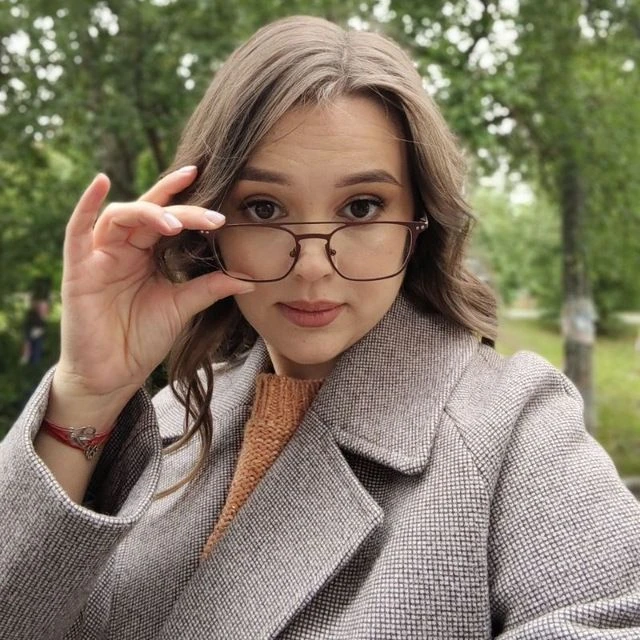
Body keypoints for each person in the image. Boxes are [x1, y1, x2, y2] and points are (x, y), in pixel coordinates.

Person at [1, 15, 639, 640]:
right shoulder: (177, 414)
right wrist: (88, 391)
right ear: (208, 224)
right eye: (264, 208)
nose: (312, 267)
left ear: (420, 223)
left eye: (361, 207)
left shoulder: (512, 429)